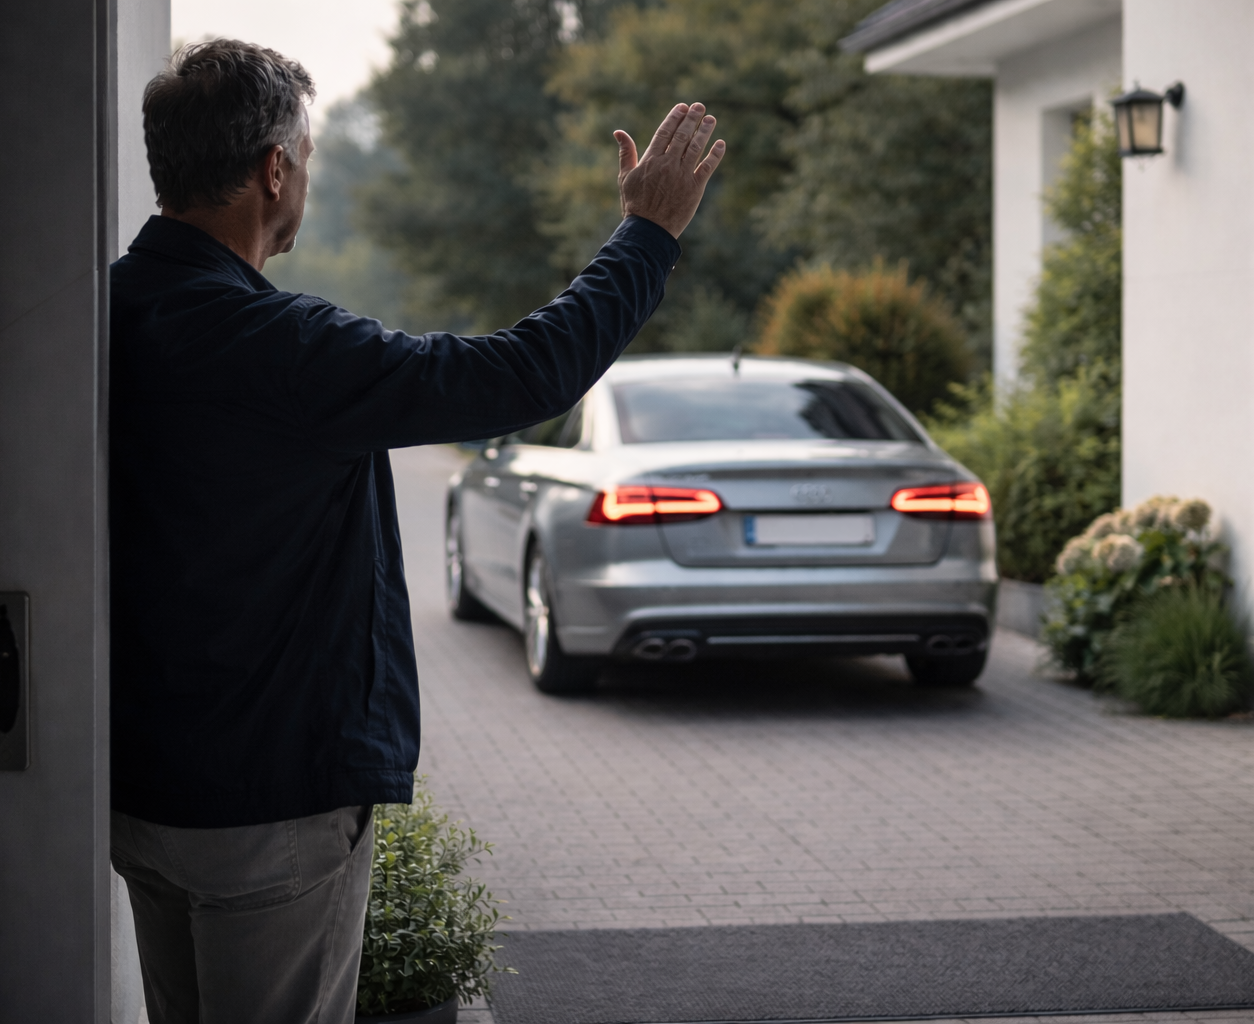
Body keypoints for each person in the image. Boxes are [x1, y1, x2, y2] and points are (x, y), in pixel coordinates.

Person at [107, 37, 723, 1024]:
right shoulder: (281, 347)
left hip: (143, 795)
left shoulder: (100, 315)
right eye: (302, 156)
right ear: (274, 170)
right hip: (269, 808)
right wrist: (646, 235)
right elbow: (518, 375)